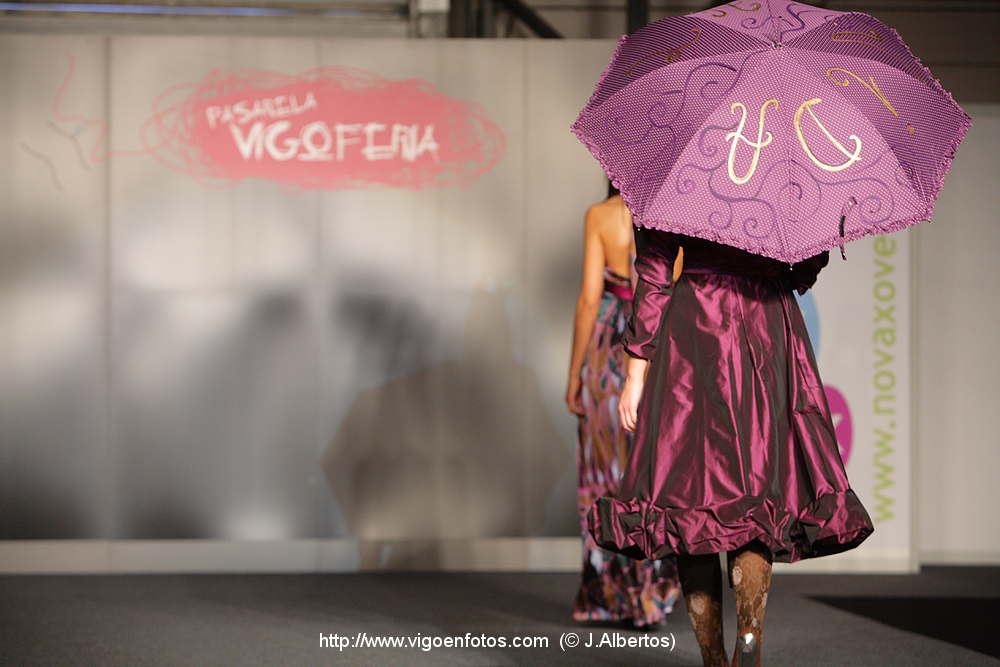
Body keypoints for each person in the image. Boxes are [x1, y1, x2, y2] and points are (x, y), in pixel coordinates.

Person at [586, 225, 875, 666]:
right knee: (756, 497)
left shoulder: (681, 184)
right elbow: (809, 259)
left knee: (688, 499)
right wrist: (775, 271)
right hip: (768, 325)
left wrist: (636, 370)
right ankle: (750, 636)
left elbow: (657, 270)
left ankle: (713, 659)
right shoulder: (786, 184)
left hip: (695, 331)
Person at [565, 182, 681, 630]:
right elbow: (670, 288)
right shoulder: (670, 213)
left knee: (604, 472)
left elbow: (588, 300)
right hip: (653, 346)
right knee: (650, 471)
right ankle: (652, 593)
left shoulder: (600, 215)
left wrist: (575, 374)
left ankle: (610, 596)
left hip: (605, 350)